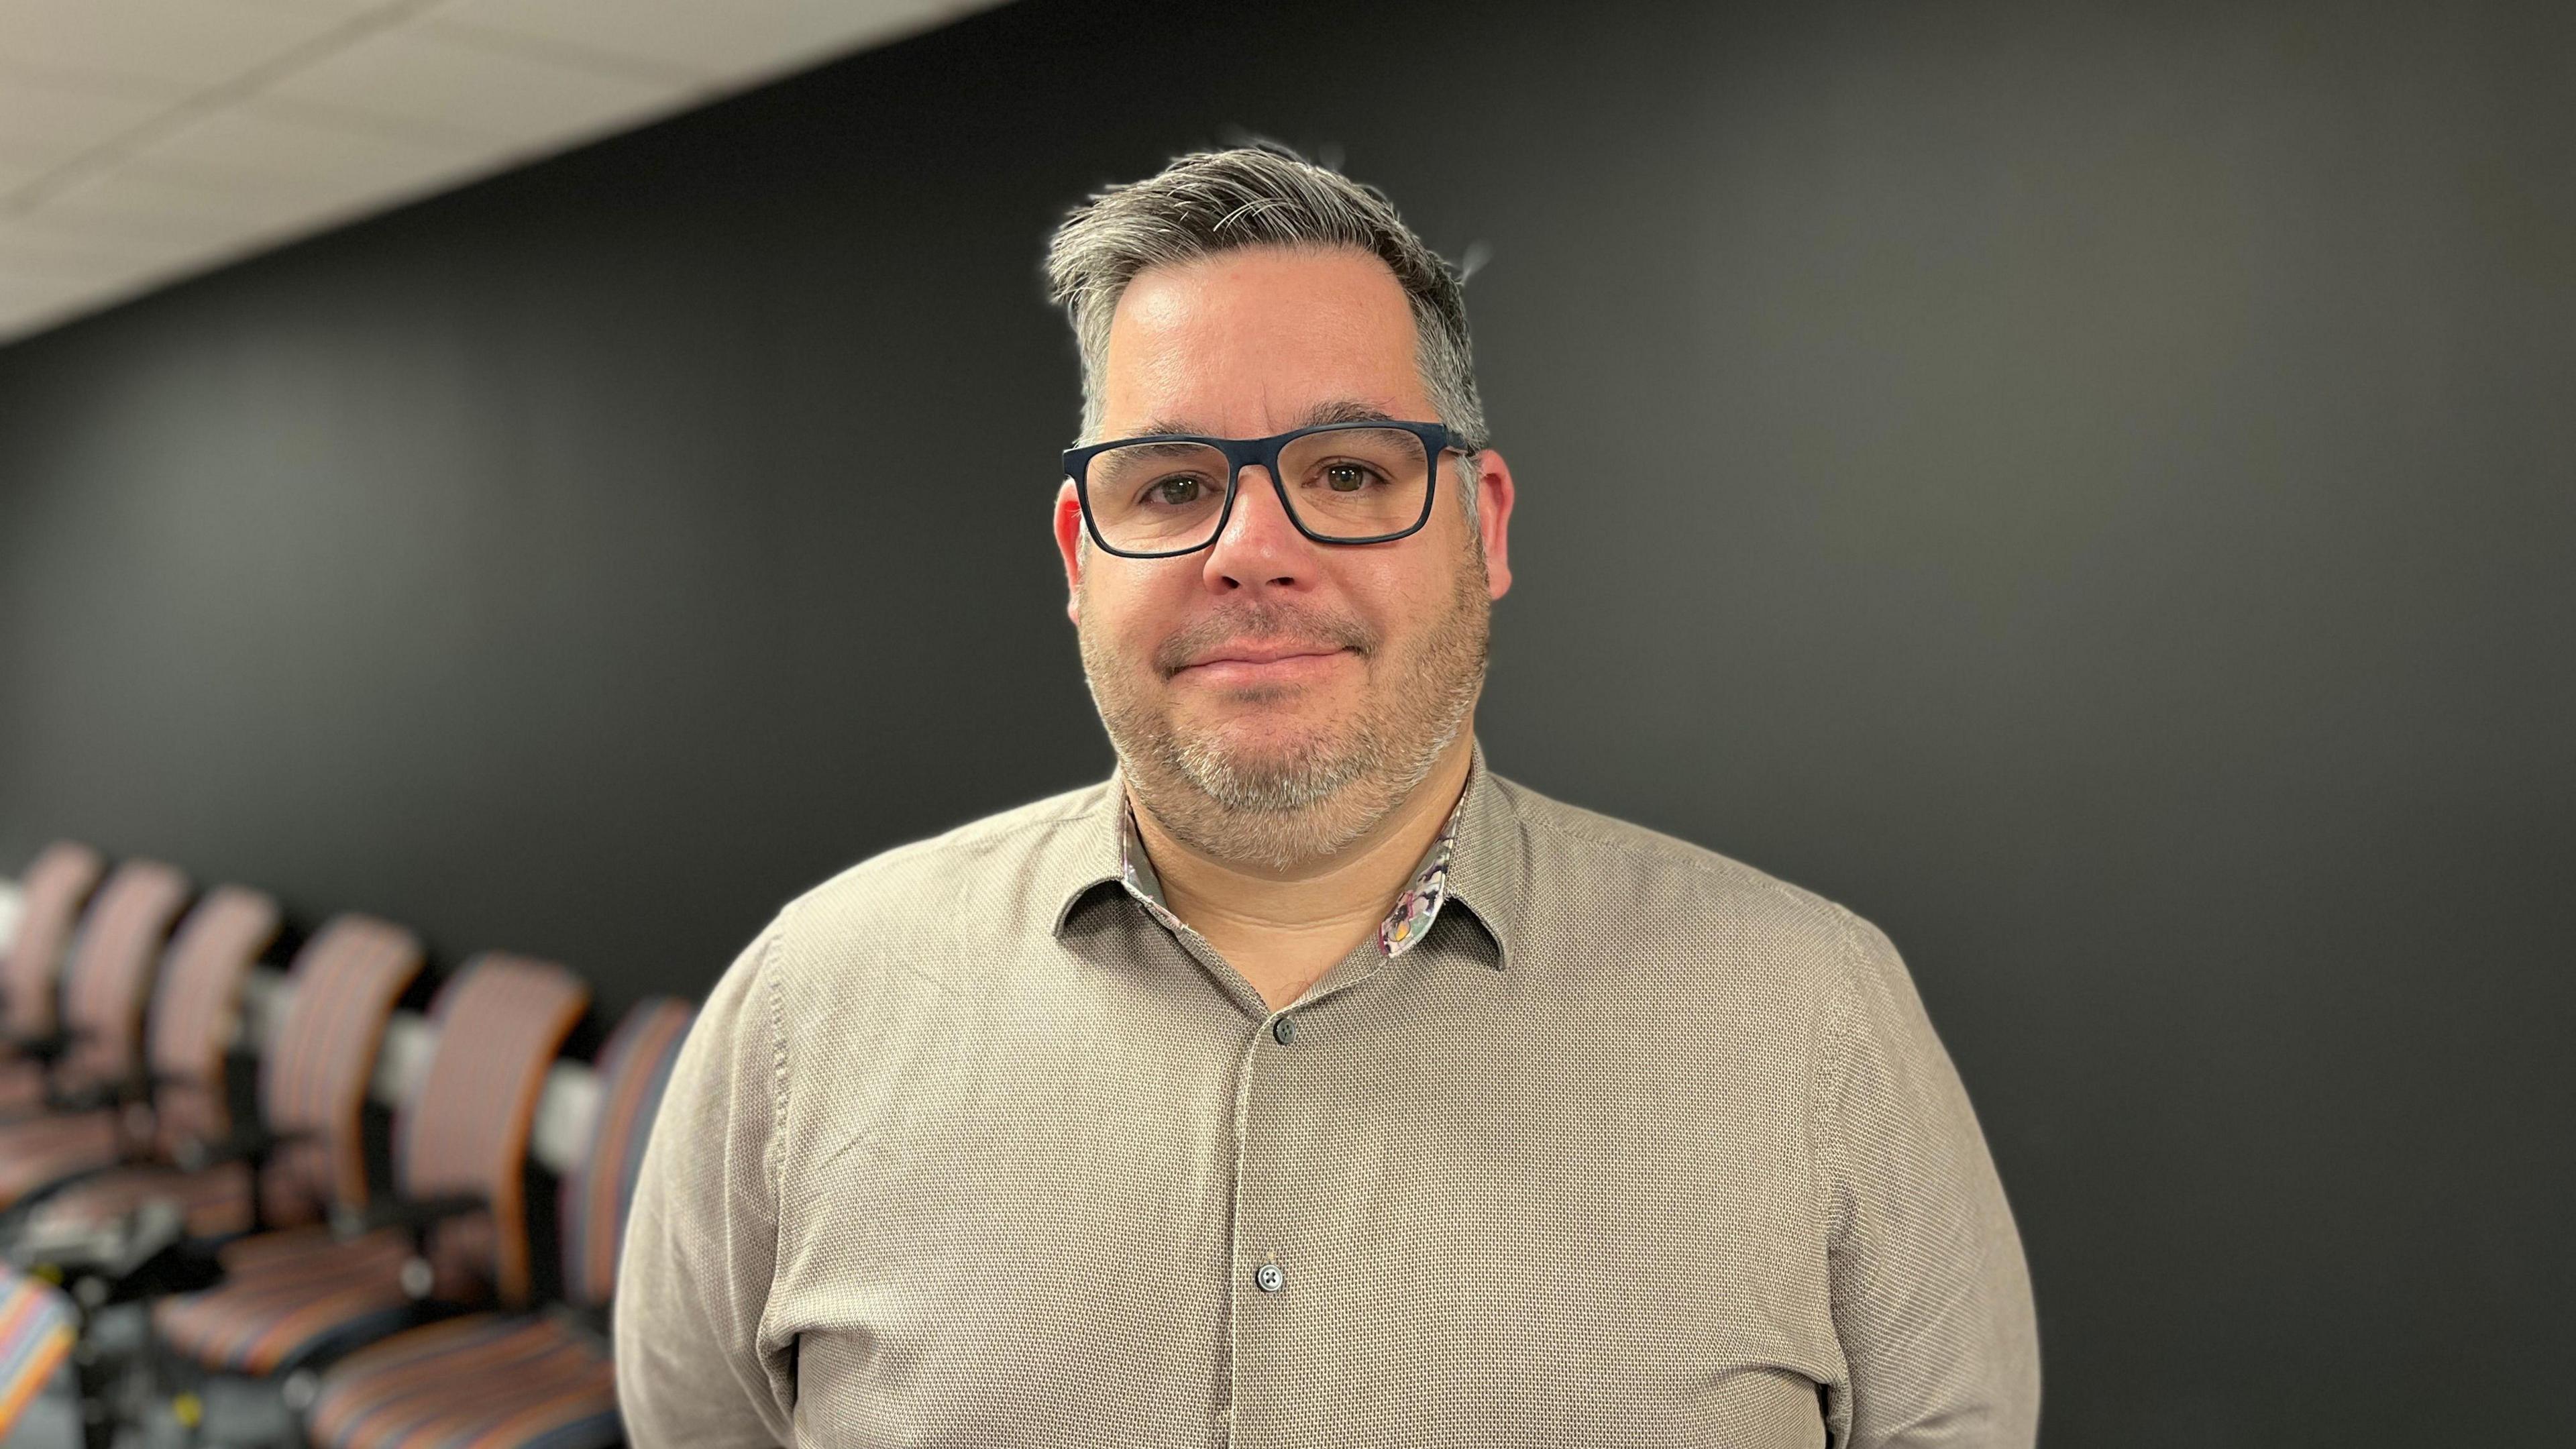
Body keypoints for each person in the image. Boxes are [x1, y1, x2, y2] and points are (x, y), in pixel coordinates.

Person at [614, 142, 2039, 1448]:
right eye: (1170, 487)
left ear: (1481, 529)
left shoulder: (1817, 1020)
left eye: (1349, 471)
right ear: (1078, 551)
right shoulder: (806, 1012)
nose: (1252, 547)